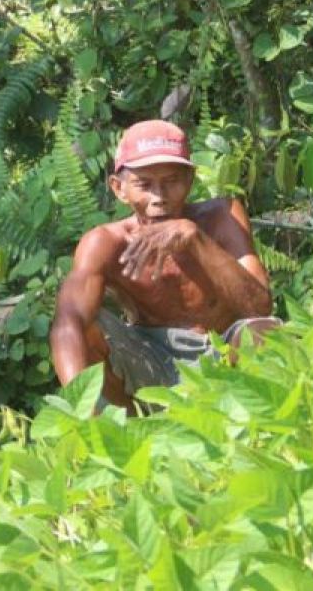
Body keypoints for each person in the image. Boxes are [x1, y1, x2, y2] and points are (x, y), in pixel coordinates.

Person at [49, 119, 280, 411]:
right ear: (119, 188)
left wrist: (194, 239)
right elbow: (67, 326)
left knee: (263, 332)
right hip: (149, 363)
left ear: (190, 180)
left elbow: (260, 307)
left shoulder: (222, 217)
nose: (159, 198)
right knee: (84, 327)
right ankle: (119, 421)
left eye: (171, 182)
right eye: (144, 185)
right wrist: (78, 413)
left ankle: (254, 423)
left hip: (222, 357)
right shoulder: (106, 242)